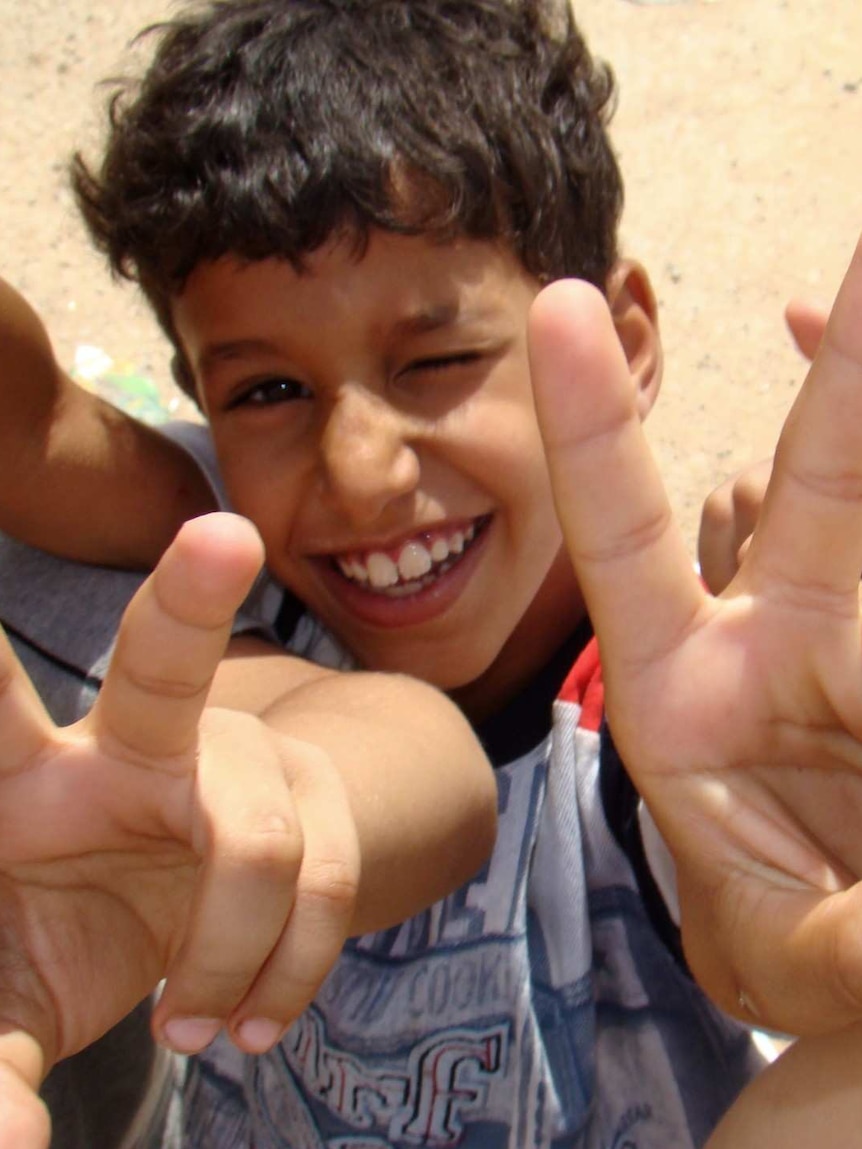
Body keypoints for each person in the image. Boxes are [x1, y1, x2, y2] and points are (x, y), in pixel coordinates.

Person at [3, 0, 862, 1145]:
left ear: (624, 345)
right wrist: (244, 795)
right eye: (266, 391)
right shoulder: (221, 564)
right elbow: (32, 429)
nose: (357, 473)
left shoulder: (680, 726)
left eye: (438, 360)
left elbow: (743, 932)